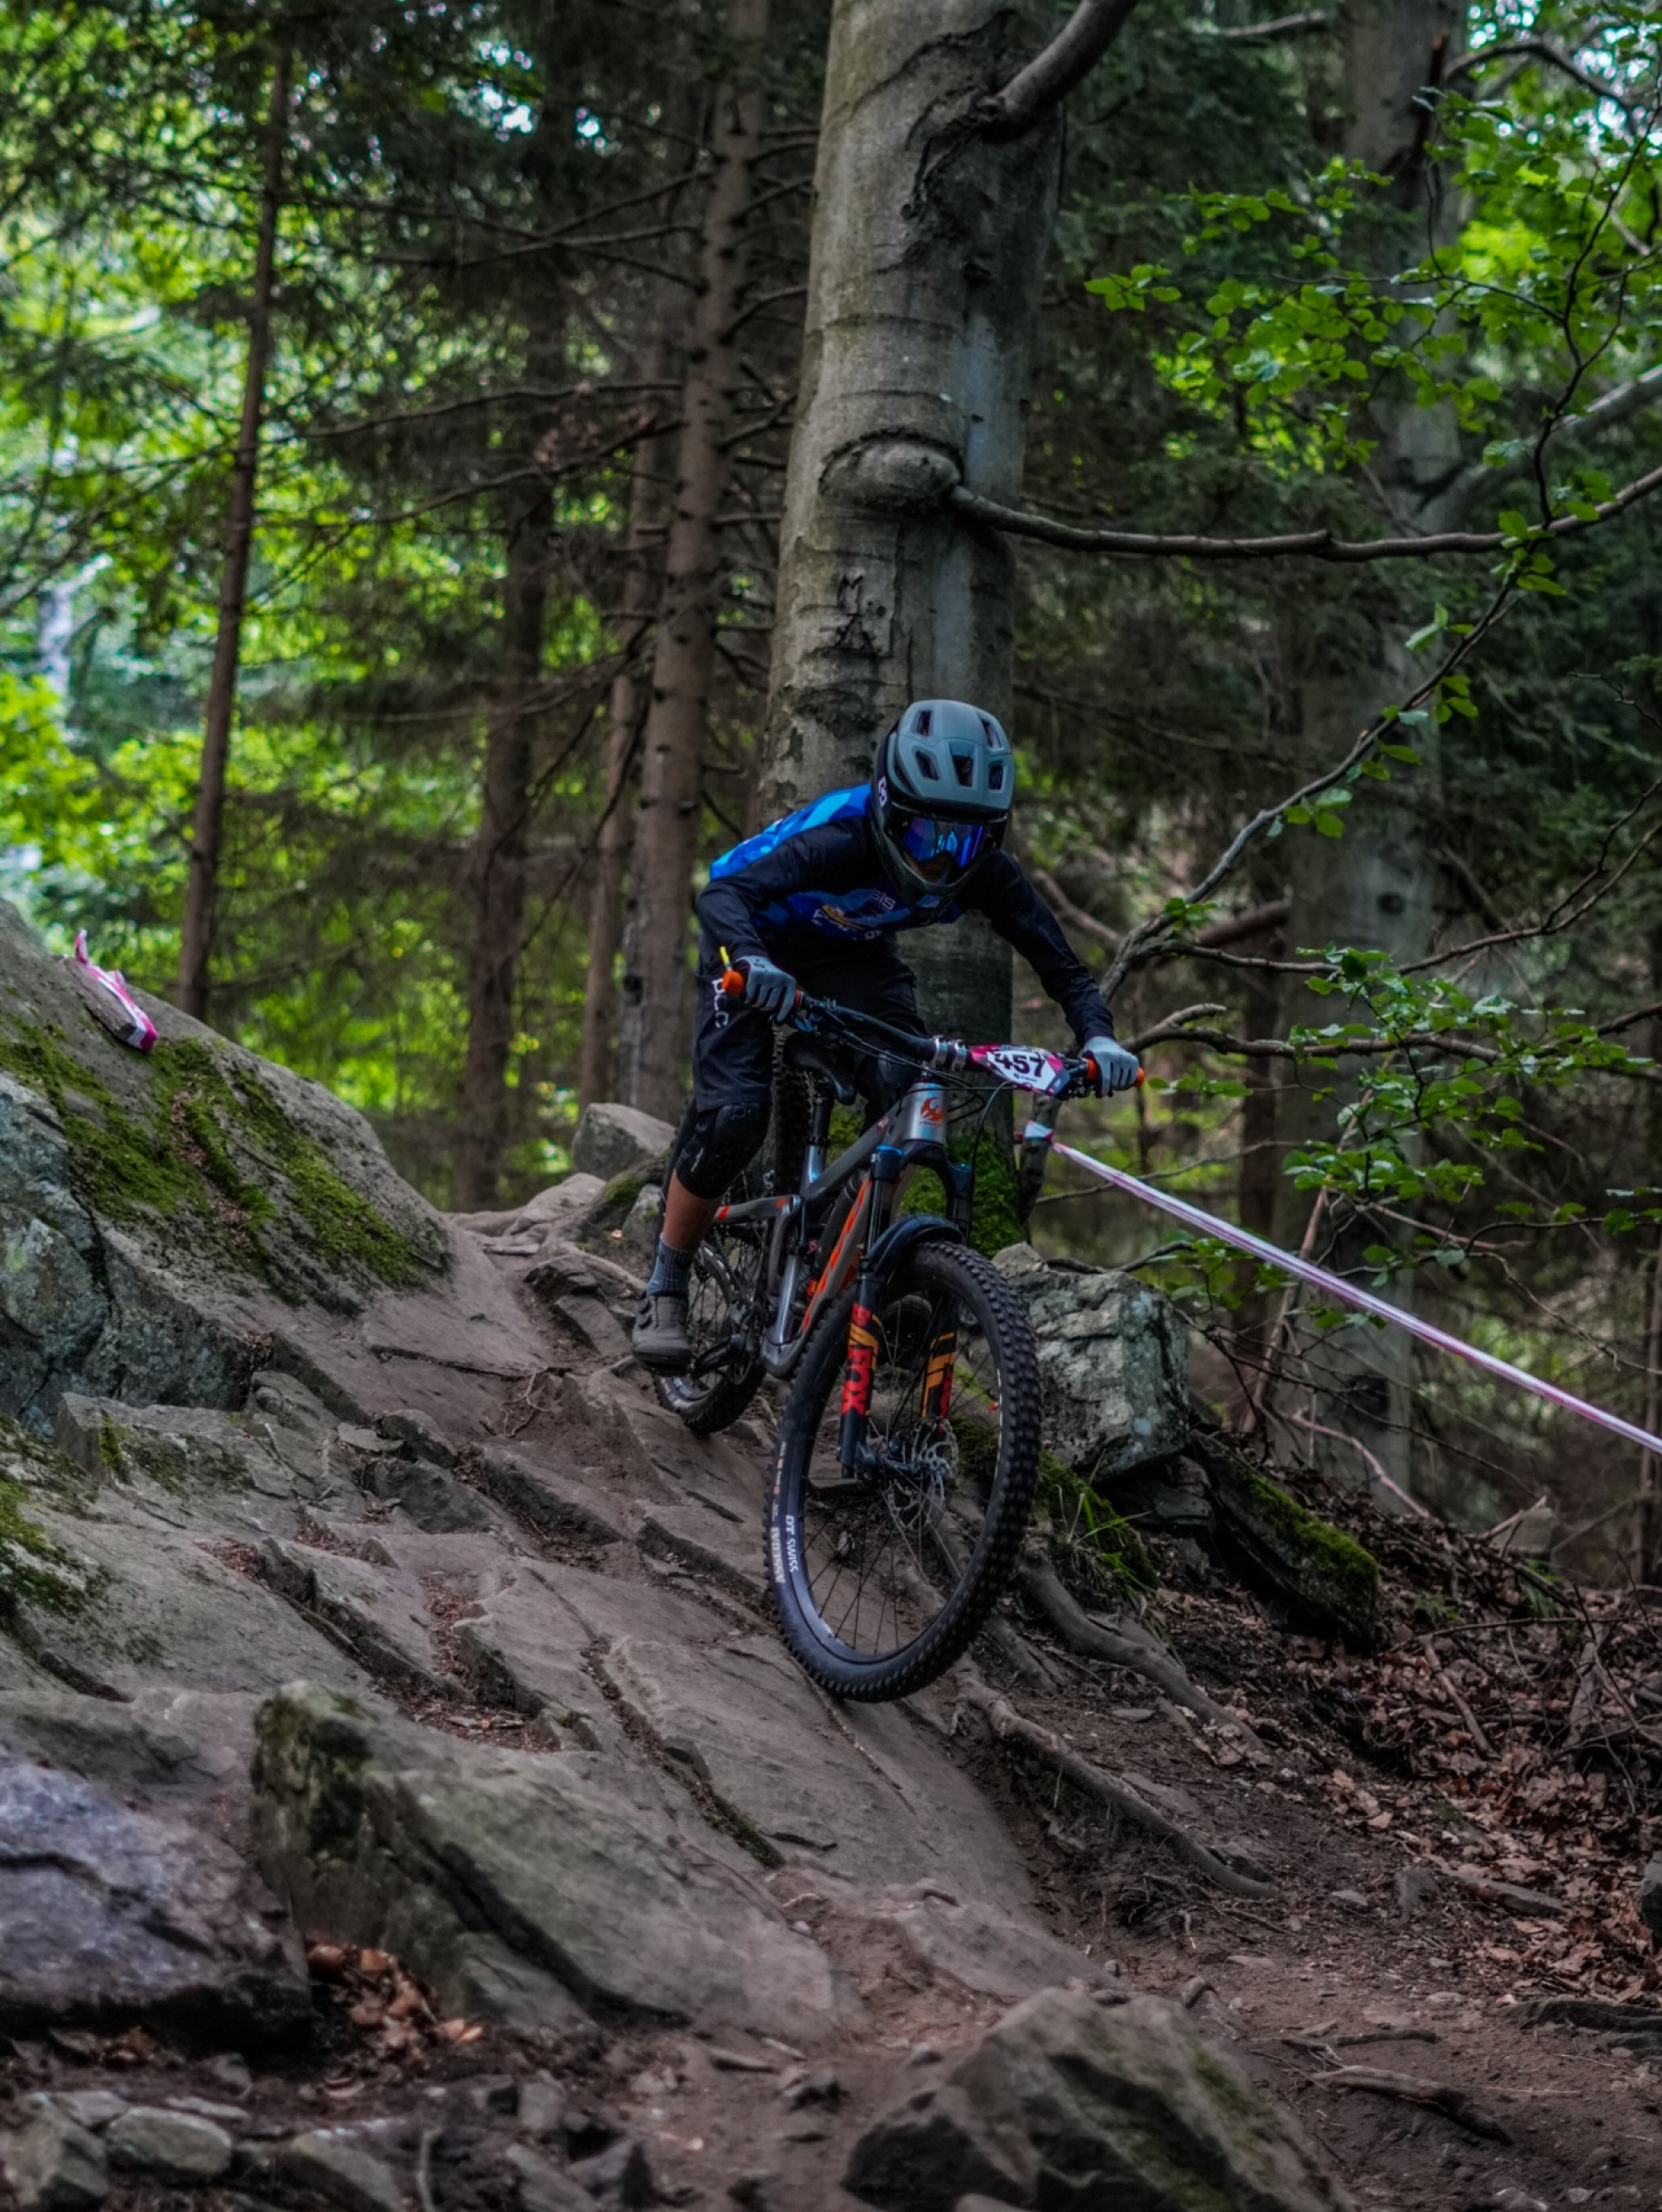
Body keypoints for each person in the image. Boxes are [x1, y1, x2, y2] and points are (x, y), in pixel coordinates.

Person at [632, 699, 1141, 1370]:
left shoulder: (986, 871)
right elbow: (722, 895)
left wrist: (1099, 1038)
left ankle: (835, 1261)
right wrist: (754, 962)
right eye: (925, 835)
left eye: (963, 840)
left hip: (854, 957)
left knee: (908, 1091)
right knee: (735, 1114)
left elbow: (1062, 966)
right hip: (754, 940)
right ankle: (667, 1280)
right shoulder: (841, 840)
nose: (941, 859)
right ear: (886, 807)